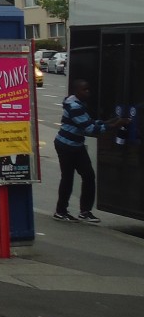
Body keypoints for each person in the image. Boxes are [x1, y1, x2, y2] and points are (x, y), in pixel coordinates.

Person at [54, 78, 126, 223]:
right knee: (68, 178)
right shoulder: (74, 106)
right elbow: (90, 129)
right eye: (84, 90)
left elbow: (90, 122)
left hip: (76, 145)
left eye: (88, 89)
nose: (88, 92)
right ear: (76, 91)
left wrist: (108, 121)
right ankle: (60, 211)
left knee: (88, 176)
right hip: (66, 145)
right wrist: (115, 125)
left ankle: (85, 212)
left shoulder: (79, 104)